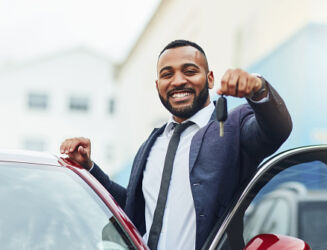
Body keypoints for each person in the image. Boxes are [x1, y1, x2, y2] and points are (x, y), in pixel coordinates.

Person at [60, 40, 292, 250]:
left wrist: (259, 89)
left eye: (190, 71)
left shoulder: (233, 126)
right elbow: (132, 209)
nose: (178, 81)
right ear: (158, 84)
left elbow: (276, 129)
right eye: (167, 74)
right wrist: (90, 168)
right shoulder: (152, 143)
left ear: (210, 79)